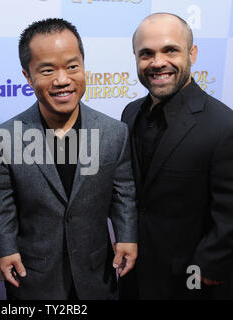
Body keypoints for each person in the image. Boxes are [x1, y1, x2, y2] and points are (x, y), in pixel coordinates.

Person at [0, 18, 138, 300]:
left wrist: (127, 235)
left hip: (97, 272)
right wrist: (6, 248)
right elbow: (2, 202)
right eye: (47, 70)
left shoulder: (114, 132)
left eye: (72, 66)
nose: (62, 80)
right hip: (33, 275)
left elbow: (124, 192)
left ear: (83, 65)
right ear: (27, 75)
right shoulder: (5, 137)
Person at [120, 13, 233, 299]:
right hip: (133, 272)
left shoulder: (223, 125)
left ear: (192, 54)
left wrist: (208, 267)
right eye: (146, 54)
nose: (157, 62)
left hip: (191, 280)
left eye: (170, 50)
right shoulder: (130, 113)